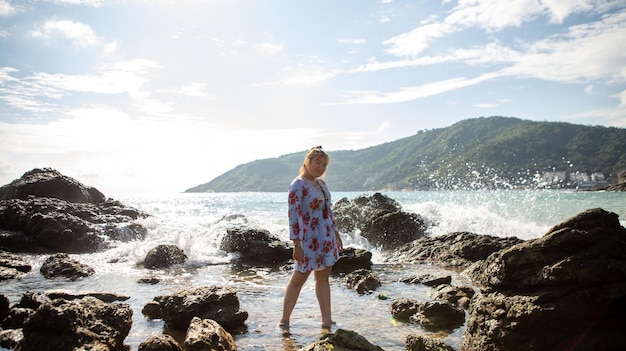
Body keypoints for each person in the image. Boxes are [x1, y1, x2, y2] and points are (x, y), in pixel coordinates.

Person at [278, 146, 343, 336]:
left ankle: (326, 320)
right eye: (317, 163)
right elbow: (293, 216)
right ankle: (284, 320)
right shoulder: (297, 185)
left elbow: (328, 212)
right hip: (308, 240)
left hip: (326, 238)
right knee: (299, 277)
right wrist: (296, 244)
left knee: (323, 278)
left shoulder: (321, 184)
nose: (320, 167)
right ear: (307, 161)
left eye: (324, 165)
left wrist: (336, 234)